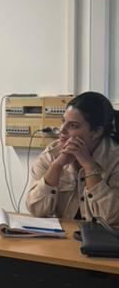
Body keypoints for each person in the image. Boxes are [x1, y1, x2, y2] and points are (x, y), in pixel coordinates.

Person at [26, 91, 119, 224]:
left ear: (96, 132)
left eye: (73, 126)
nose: (62, 130)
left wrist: (89, 166)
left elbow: (111, 217)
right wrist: (56, 166)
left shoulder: (115, 159)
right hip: (63, 234)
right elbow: (35, 209)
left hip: (102, 236)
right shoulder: (51, 154)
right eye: (63, 121)